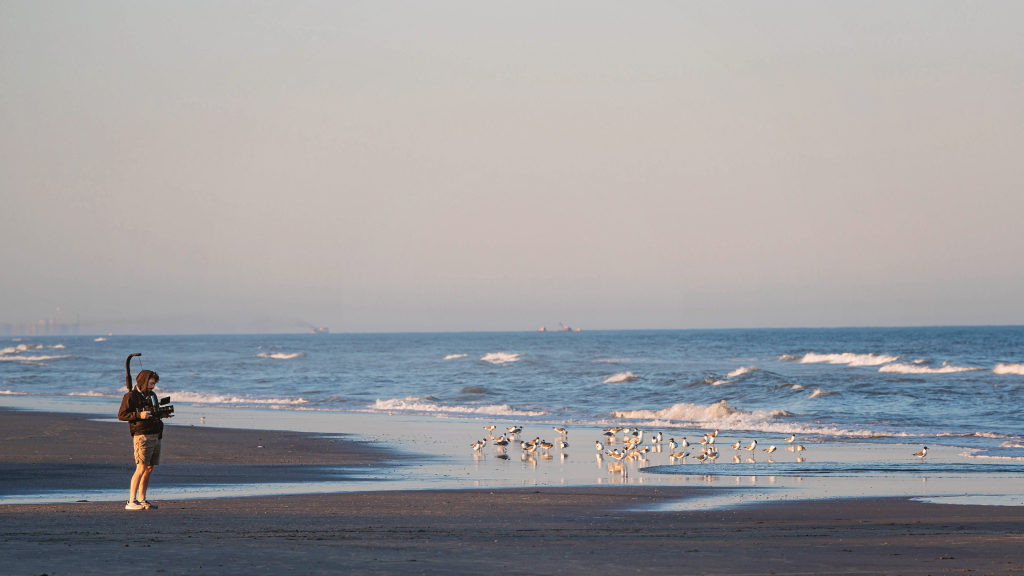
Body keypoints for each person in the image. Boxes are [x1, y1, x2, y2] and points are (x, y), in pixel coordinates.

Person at [117, 369, 163, 510]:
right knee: (141, 467)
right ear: (143, 381)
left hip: (155, 435)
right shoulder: (130, 396)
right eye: (150, 383)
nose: (152, 387)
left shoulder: (152, 395)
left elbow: (155, 411)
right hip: (142, 436)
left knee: (149, 468)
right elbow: (122, 415)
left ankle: (142, 499)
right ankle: (131, 501)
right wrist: (140, 415)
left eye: (154, 384)